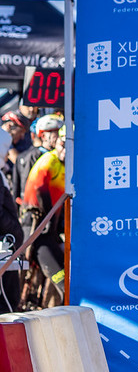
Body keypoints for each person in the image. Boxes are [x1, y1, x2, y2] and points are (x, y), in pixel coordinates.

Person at [21, 129, 66, 303]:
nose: (64, 150)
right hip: (35, 227)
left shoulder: (66, 166)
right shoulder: (49, 159)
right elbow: (39, 188)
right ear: (56, 143)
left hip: (49, 231)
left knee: (63, 279)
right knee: (61, 279)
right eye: (62, 144)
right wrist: (49, 217)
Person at [12, 114, 63, 204]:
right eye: (56, 132)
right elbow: (26, 189)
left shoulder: (61, 157)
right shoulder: (30, 157)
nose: (59, 137)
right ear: (43, 136)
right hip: (38, 213)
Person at [0, 128, 23, 314]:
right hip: (4, 248)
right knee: (8, 300)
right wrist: (13, 232)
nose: (8, 153)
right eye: (6, 148)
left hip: (6, 246)